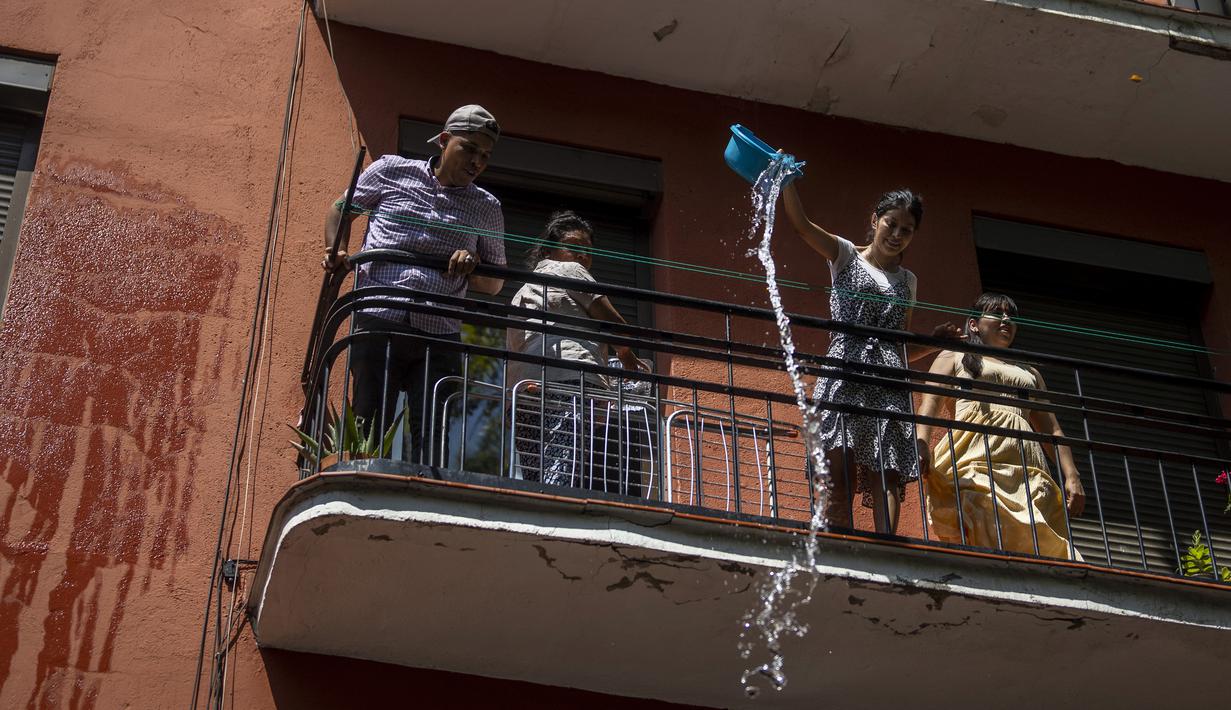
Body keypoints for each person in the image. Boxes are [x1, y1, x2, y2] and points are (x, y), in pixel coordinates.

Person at [321, 104, 507, 462]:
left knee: (432, 437)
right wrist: (336, 250)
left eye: (485, 155)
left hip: (438, 332)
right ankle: (365, 491)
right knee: (369, 424)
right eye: (468, 148)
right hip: (379, 317)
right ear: (443, 140)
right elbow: (340, 208)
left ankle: (426, 497)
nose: (476, 161)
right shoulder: (391, 170)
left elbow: (494, 285)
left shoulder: (486, 207)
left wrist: (473, 264)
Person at [782, 184, 962, 533]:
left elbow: (898, 348)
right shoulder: (846, 255)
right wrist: (788, 181)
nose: (896, 235)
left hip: (888, 383)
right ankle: (837, 544)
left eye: (906, 230)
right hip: (846, 371)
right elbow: (802, 226)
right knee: (840, 464)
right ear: (875, 220)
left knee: (888, 468)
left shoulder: (907, 281)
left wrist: (933, 343)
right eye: (890, 224)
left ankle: (886, 551)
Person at [915, 293, 1086, 559]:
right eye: (997, 313)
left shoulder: (1030, 373)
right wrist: (921, 444)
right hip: (974, 454)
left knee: (1029, 529)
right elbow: (930, 403)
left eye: (1011, 316)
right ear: (973, 324)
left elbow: (1053, 430)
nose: (1006, 319)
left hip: (1025, 464)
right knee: (981, 508)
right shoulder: (955, 356)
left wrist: (1072, 476)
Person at [507, 211, 647, 492]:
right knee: (563, 467)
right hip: (570, 382)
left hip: (524, 391)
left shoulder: (520, 293)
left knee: (538, 471)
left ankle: (541, 516)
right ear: (550, 250)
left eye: (588, 251)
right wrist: (627, 357)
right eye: (574, 247)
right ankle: (553, 519)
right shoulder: (570, 271)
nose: (583, 256)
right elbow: (615, 324)